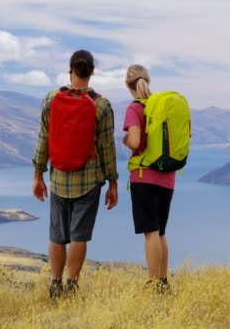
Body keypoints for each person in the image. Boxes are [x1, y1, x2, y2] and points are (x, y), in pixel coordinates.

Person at [32, 49, 119, 298]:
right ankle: (72, 286)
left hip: (58, 178)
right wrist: (113, 182)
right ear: (92, 72)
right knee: (80, 235)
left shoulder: (50, 99)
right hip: (89, 180)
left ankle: (54, 284)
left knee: (58, 235)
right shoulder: (101, 105)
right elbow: (106, 149)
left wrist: (38, 175)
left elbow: (43, 140)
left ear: (70, 69)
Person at [122, 64, 175, 292]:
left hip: (144, 177)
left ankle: (153, 285)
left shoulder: (135, 108)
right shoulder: (163, 106)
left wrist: (124, 141)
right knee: (161, 232)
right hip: (168, 177)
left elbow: (134, 142)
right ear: (148, 81)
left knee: (150, 232)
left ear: (128, 84)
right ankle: (163, 282)